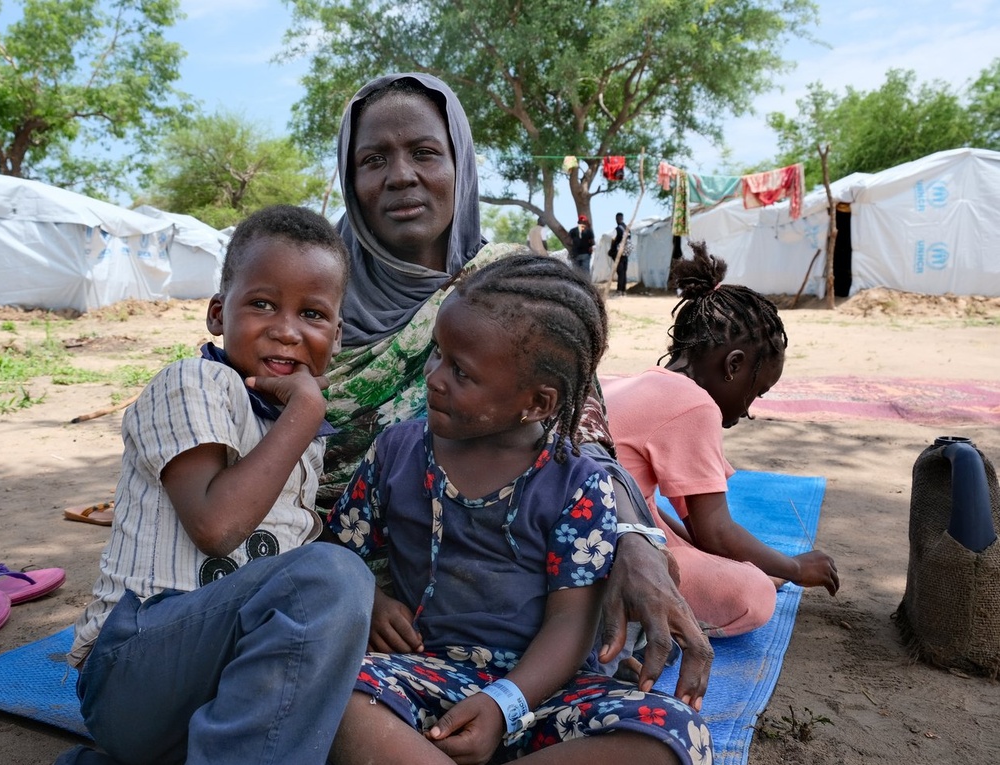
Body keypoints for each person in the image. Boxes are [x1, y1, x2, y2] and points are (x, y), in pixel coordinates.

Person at [324, 72, 712, 708]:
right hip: (355, 564)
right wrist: (349, 587)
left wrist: (634, 539)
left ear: (461, 163)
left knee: (706, 596)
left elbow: (580, 436)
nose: (400, 175)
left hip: (535, 556)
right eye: (373, 159)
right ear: (350, 177)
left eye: (425, 152)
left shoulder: (512, 287)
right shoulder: (309, 296)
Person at [327, 254, 709, 765]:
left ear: (538, 403)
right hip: (419, 674)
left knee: (673, 734)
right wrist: (369, 597)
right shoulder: (395, 452)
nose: (435, 379)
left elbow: (571, 625)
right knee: (332, 690)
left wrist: (503, 704)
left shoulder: (578, 484)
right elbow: (335, 555)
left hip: (544, 692)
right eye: (437, 355)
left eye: (461, 372)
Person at [55, 205, 374, 765]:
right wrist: (305, 412)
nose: (287, 329)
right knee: (333, 575)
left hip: (215, 689)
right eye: (262, 304)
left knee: (343, 599)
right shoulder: (193, 383)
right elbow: (217, 525)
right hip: (135, 666)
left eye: (314, 313)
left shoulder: (294, 426)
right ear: (216, 313)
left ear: (338, 336)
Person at [602, 243, 840, 637]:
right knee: (753, 595)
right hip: (606, 551)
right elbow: (715, 531)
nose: (749, 409)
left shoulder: (641, 383)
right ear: (733, 366)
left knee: (658, 515)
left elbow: (691, 525)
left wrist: (746, 559)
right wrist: (793, 569)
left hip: (577, 527)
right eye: (756, 391)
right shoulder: (693, 404)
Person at [609, 211, 631, 296]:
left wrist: (611, 251)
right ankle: (623, 290)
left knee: (620, 272)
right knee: (624, 272)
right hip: (626, 253)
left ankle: (619, 290)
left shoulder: (617, 229)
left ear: (617, 219)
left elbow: (613, 241)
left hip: (618, 253)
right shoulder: (627, 228)